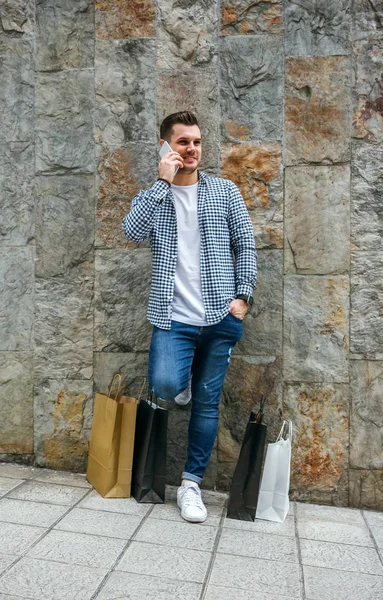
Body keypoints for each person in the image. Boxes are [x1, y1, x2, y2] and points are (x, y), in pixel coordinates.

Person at [122, 111, 257, 523]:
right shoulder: (155, 196)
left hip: (220, 316)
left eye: (197, 142)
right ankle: (183, 382)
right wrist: (162, 181)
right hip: (173, 317)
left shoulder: (223, 191)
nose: (192, 149)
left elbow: (245, 244)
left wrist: (242, 298)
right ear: (166, 146)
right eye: (183, 142)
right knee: (166, 383)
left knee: (207, 404)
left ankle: (191, 485)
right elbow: (131, 230)